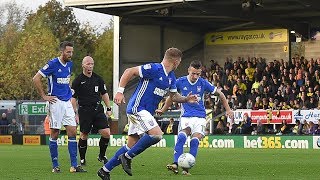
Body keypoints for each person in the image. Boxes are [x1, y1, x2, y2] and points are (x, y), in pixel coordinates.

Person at [97, 47, 198, 180]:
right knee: (157, 135)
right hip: (137, 108)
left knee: (131, 145)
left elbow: (173, 96)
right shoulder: (154, 69)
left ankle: (105, 170)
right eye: (179, 62)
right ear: (176, 61)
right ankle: (127, 157)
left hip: (145, 113)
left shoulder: (171, 77)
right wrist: (120, 91)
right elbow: (129, 71)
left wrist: (185, 99)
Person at [157, 60, 233, 175]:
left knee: (195, 141)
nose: (195, 76)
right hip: (186, 116)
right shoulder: (180, 82)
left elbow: (221, 94)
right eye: (193, 73)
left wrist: (228, 109)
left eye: (198, 74)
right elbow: (171, 97)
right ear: (188, 70)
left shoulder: (203, 83)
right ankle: (175, 163)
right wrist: (163, 109)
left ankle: (186, 169)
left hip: (200, 117)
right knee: (182, 136)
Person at [32, 41, 86, 173]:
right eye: (68, 52)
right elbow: (36, 78)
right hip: (55, 102)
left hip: (67, 101)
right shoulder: (52, 64)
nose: (70, 54)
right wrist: (44, 96)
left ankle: (74, 165)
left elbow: (66, 80)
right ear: (62, 52)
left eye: (72, 52)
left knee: (73, 131)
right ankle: (55, 165)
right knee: (55, 132)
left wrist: (69, 91)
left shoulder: (70, 64)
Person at [71, 56, 112, 166]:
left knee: (106, 133)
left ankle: (102, 155)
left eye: (92, 64)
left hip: (98, 109)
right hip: (84, 111)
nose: (90, 66)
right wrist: (75, 113)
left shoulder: (98, 79)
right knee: (84, 135)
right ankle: (83, 159)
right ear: (83, 65)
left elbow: (104, 93)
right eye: (88, 64)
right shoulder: (78, 81)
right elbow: (73, 98)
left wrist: (108, 108)